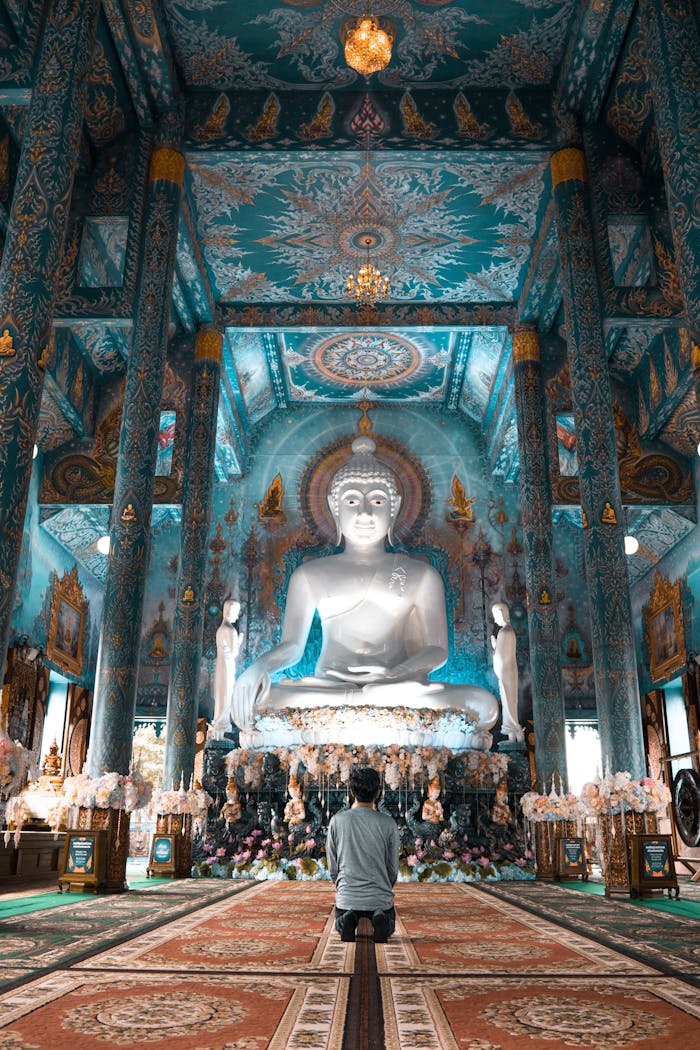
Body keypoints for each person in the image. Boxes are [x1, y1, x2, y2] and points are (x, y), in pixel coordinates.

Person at [233, 436, 499, 748]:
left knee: (484, 705)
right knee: (255, 703)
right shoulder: (309, 574)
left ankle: (366, 701)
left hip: (397, 686)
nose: (364, 514)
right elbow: (292, 646)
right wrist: (258, 667)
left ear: (394, 508)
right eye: (350, 502)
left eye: (376, 502)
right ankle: (364, 701)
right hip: (328, 687)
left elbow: (437, 650)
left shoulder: (421, 574)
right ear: (334, 508)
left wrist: (395, 676)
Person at [326, 766, 399, 943]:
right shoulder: (388, 823)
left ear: (352, 791)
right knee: (389, 921)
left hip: (347, 895)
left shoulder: (337, 820)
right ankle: (380, 919)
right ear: (378, 793)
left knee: (342, 917)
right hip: (380, 896)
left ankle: (347, 919)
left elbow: (333, 866)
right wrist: (383, 887)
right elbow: (392, 869)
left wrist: (344, 886)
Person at [491, 602, 525, 743]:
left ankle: (516, 730)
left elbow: (499, 656)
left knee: (509, 702)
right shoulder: (508, 631)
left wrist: (494, 645)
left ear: (501, 613)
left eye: (495, 616)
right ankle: (512, 736)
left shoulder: (504, 632)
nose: (494, 620)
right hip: (509, 670)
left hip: (505, 671)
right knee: (509, 702)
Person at [210, 597, 242, 738]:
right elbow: (234, 653)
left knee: (221, 693)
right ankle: (222, 722)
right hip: (228, 666)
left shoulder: (221, 629)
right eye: (236, 611)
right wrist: (239, 641)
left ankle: (220, 720)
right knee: (227, 693)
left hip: (220, 665)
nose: (237, 615)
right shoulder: (230, 630)